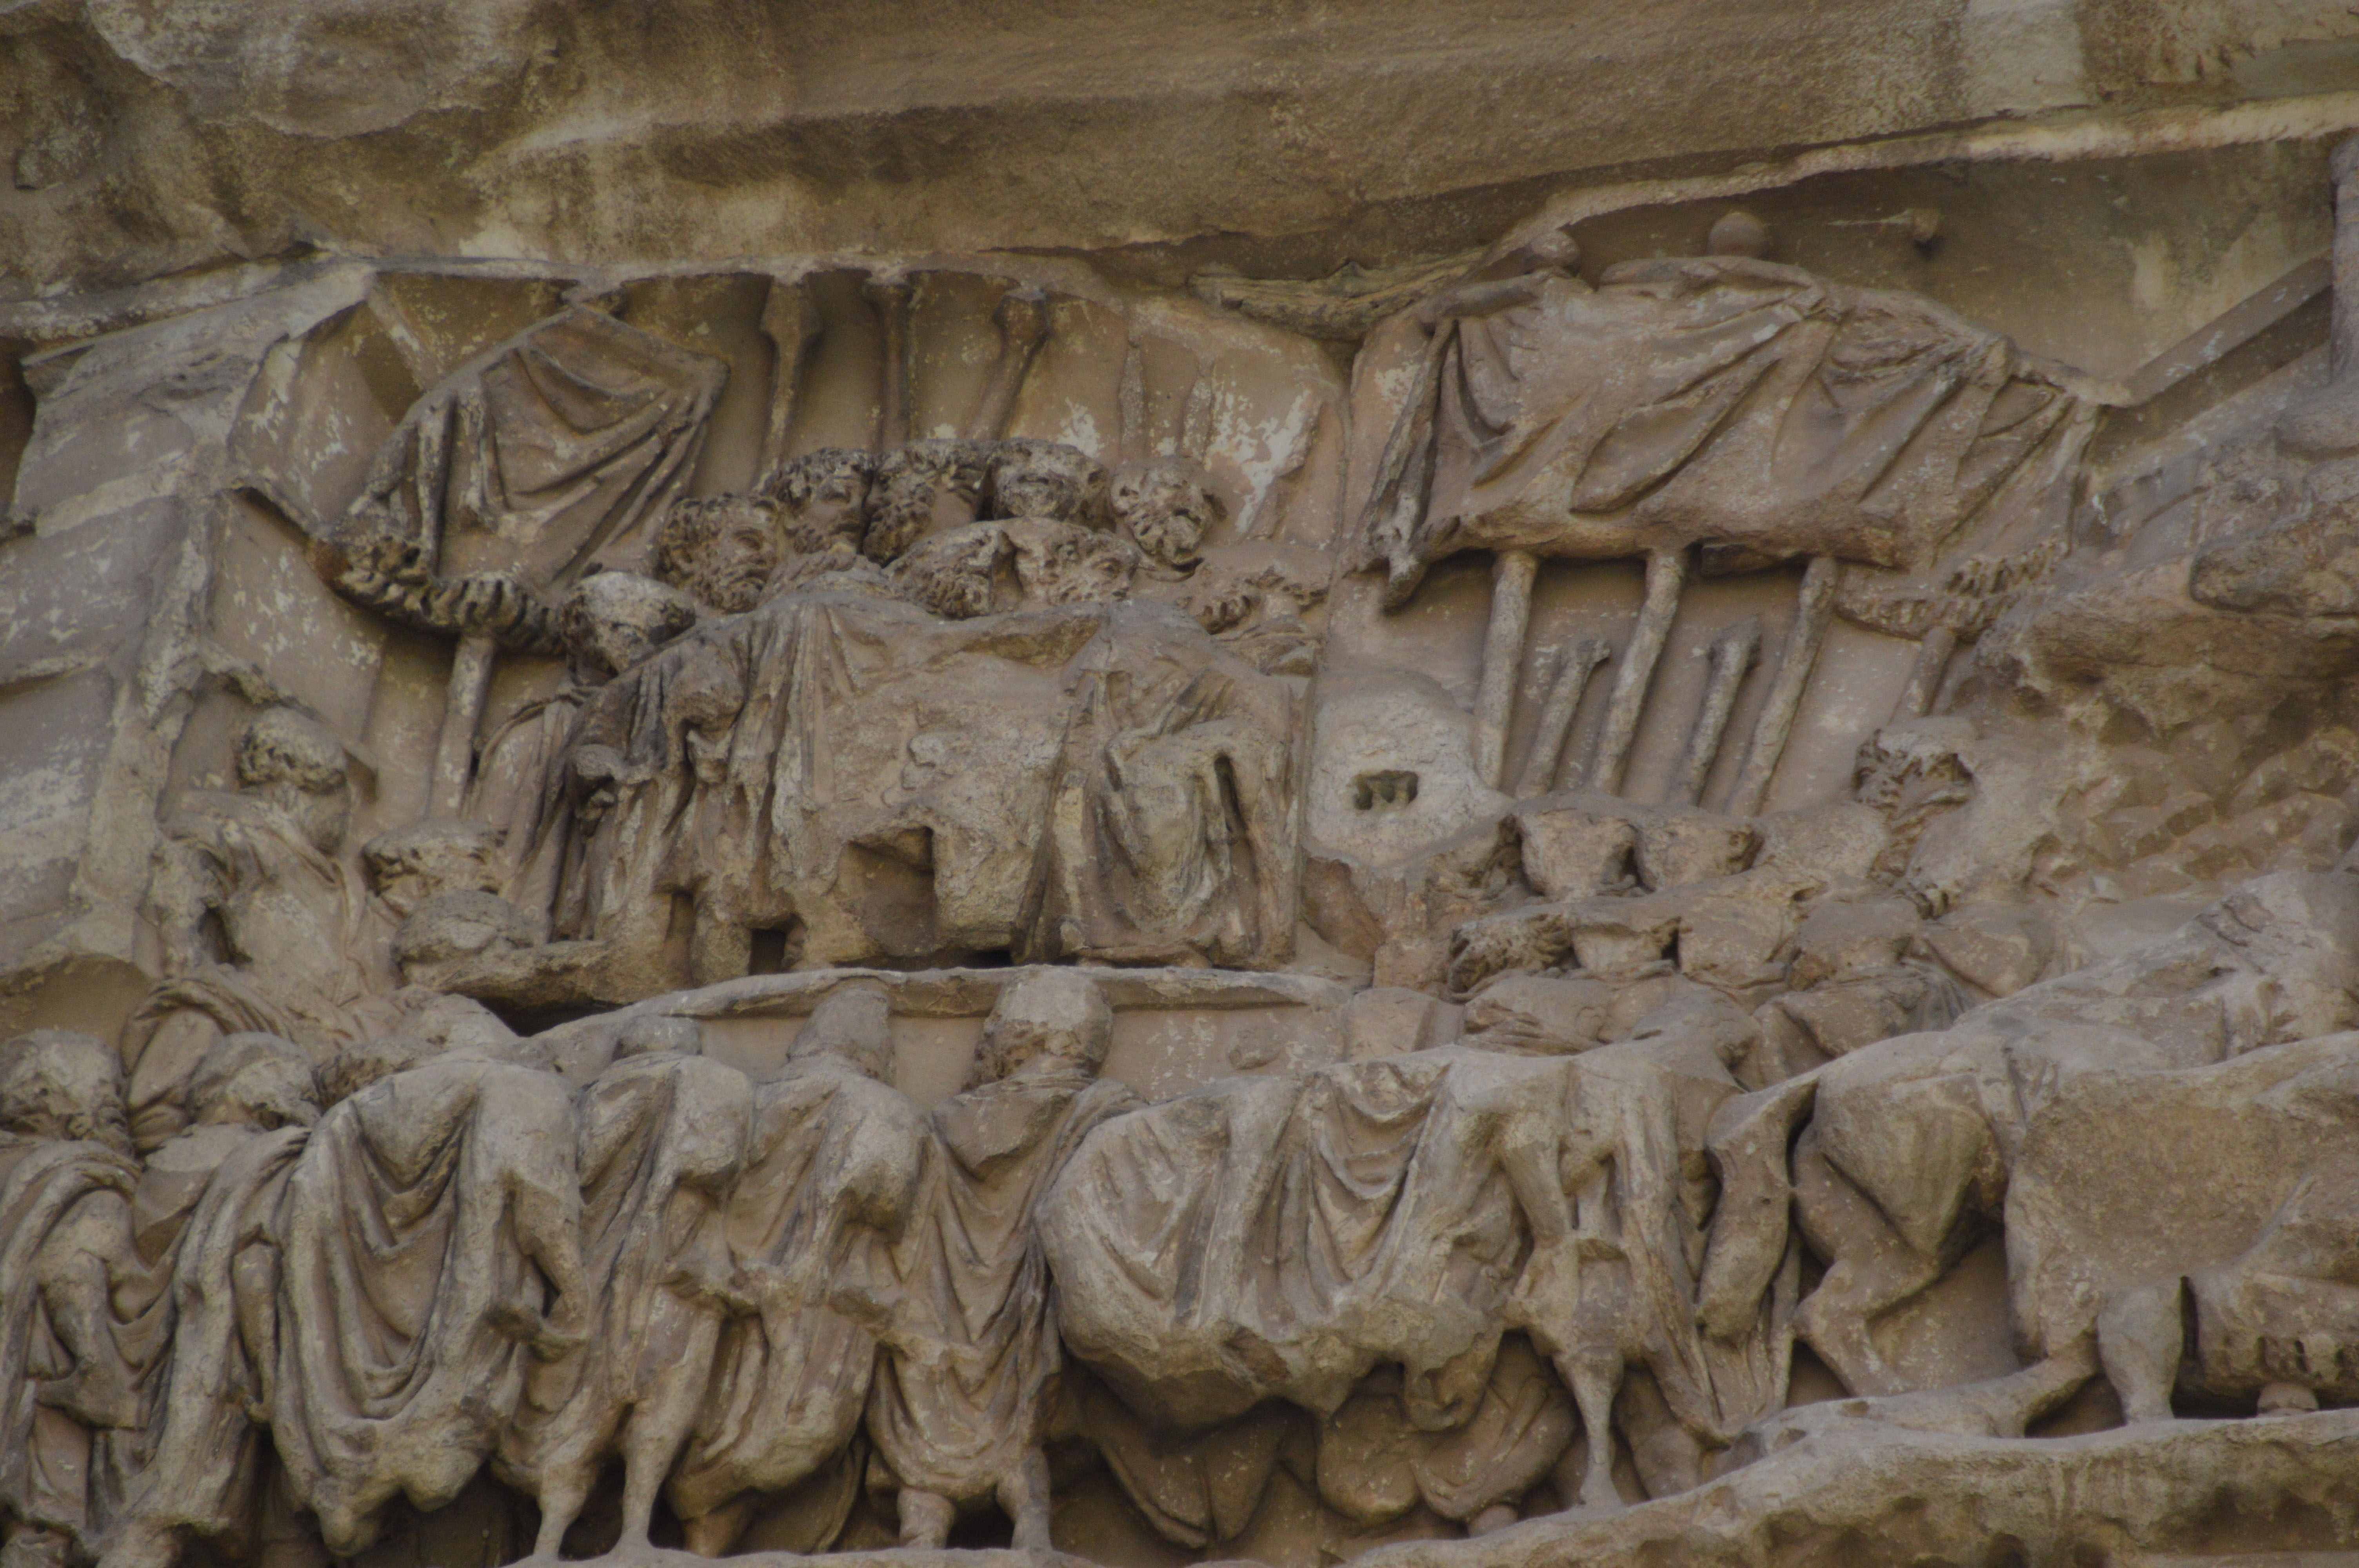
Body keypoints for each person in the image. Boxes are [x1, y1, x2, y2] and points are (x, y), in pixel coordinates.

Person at [864, 971, 1141, 1548]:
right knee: (1028, 1402)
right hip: (1027, 1316)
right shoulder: (1100, 1110)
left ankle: (923, 1529)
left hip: (937, 1318)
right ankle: (1031, 1527)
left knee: (925, 1399)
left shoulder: (944, 1123)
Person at [0, 1031, 139, 1568]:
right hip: (40, 1393)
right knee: (43, 1537)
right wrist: (96, 1363)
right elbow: (70, 1272)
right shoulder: (79, 1179)